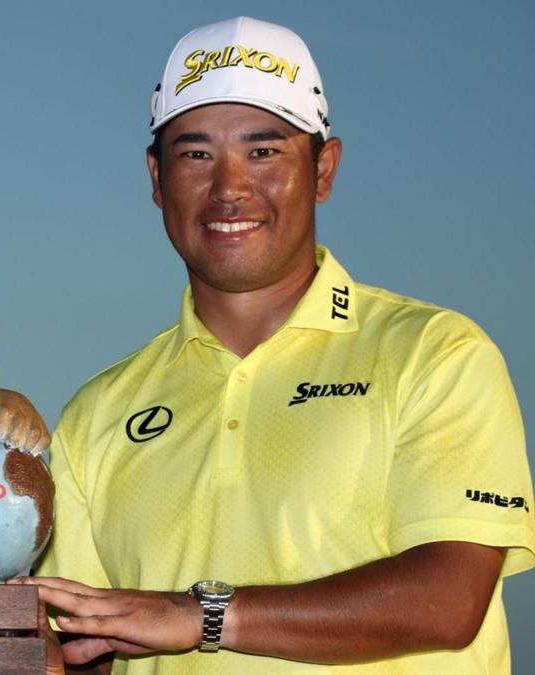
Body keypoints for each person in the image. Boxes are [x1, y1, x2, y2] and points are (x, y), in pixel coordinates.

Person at [27, 16, 535, 673]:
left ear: (324, 168)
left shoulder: (436, 353)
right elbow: (83, 646)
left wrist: (203, 615)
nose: (229, 187)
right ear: (156, 178)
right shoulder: (96, 413)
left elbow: (448, 597)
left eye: (263, 151)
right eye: (195, 153)